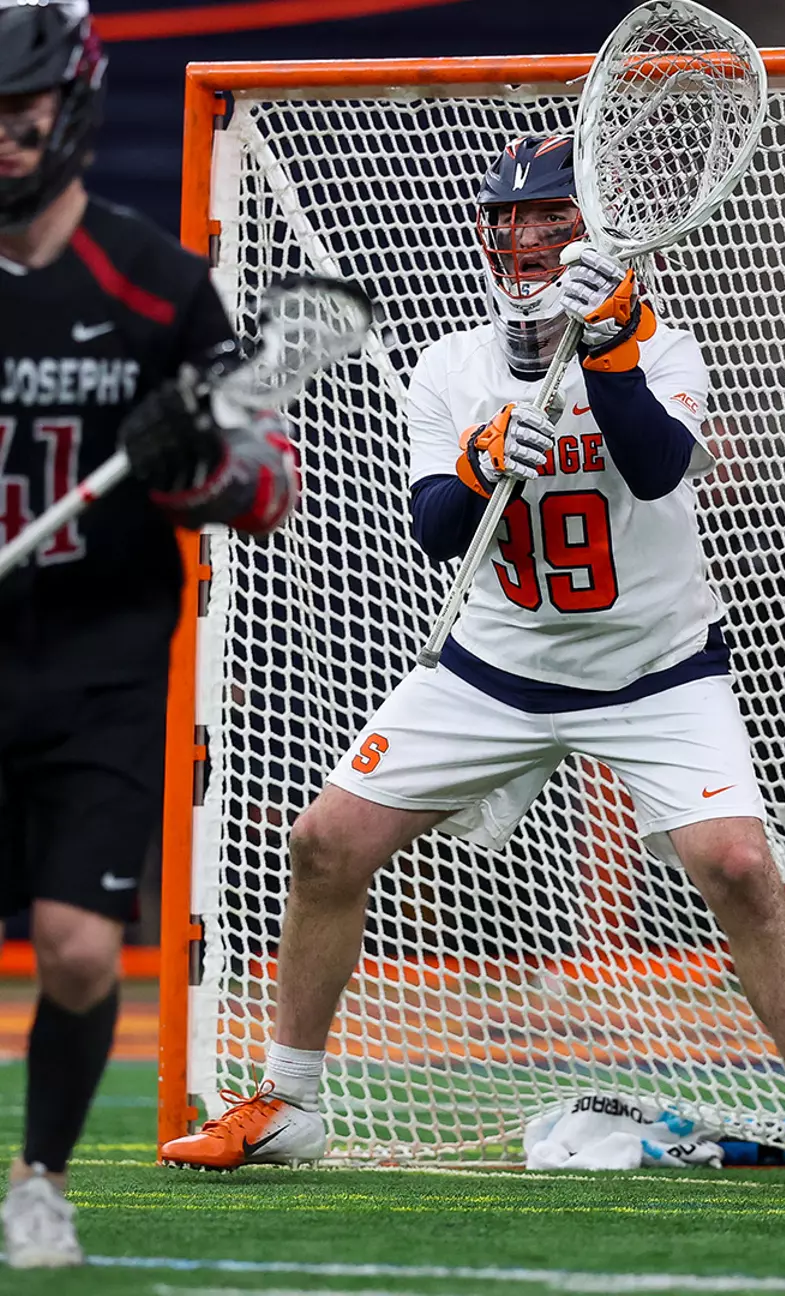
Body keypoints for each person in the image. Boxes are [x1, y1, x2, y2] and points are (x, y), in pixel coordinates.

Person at [160, 133, 785, 1193]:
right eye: (509, 220)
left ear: (596, 229)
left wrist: (609, 348)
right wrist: (477, 463)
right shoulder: (451, 367)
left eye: (551, 217)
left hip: (654, 671)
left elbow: (654, 468)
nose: (526, 239)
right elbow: (434, 528)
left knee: (741, 867)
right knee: (324, 843)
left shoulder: (665, 349)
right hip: (493, 670)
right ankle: (289, 1103)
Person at [0, 0, 298, 1268]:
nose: (4, 140)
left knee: (76, 951)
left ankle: (39, 1184)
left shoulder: (158, 285)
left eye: (21, 115)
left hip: (100, 667)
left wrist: (191, 470)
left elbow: (268, 488)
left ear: (72, 112)